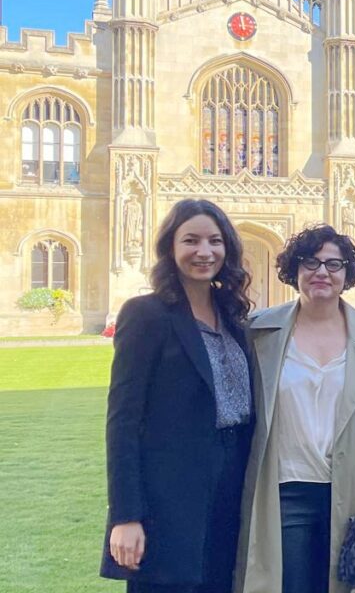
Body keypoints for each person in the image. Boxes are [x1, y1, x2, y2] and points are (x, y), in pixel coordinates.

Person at [235, 224, 355, 593]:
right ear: (295, 270)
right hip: (284, 493)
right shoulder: (259, 333)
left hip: (352, 495)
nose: (322, 272)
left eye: (333, 264)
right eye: (310, 262)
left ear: (347, 273)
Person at [102, 198, 254, 593]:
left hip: (234, 484)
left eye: (215, 241)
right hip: (169, 494)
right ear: (170, 247)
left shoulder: (234, 319)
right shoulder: (146, 314)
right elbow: (123, 421)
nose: (205, 251)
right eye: (191, 240)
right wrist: (125, 516)